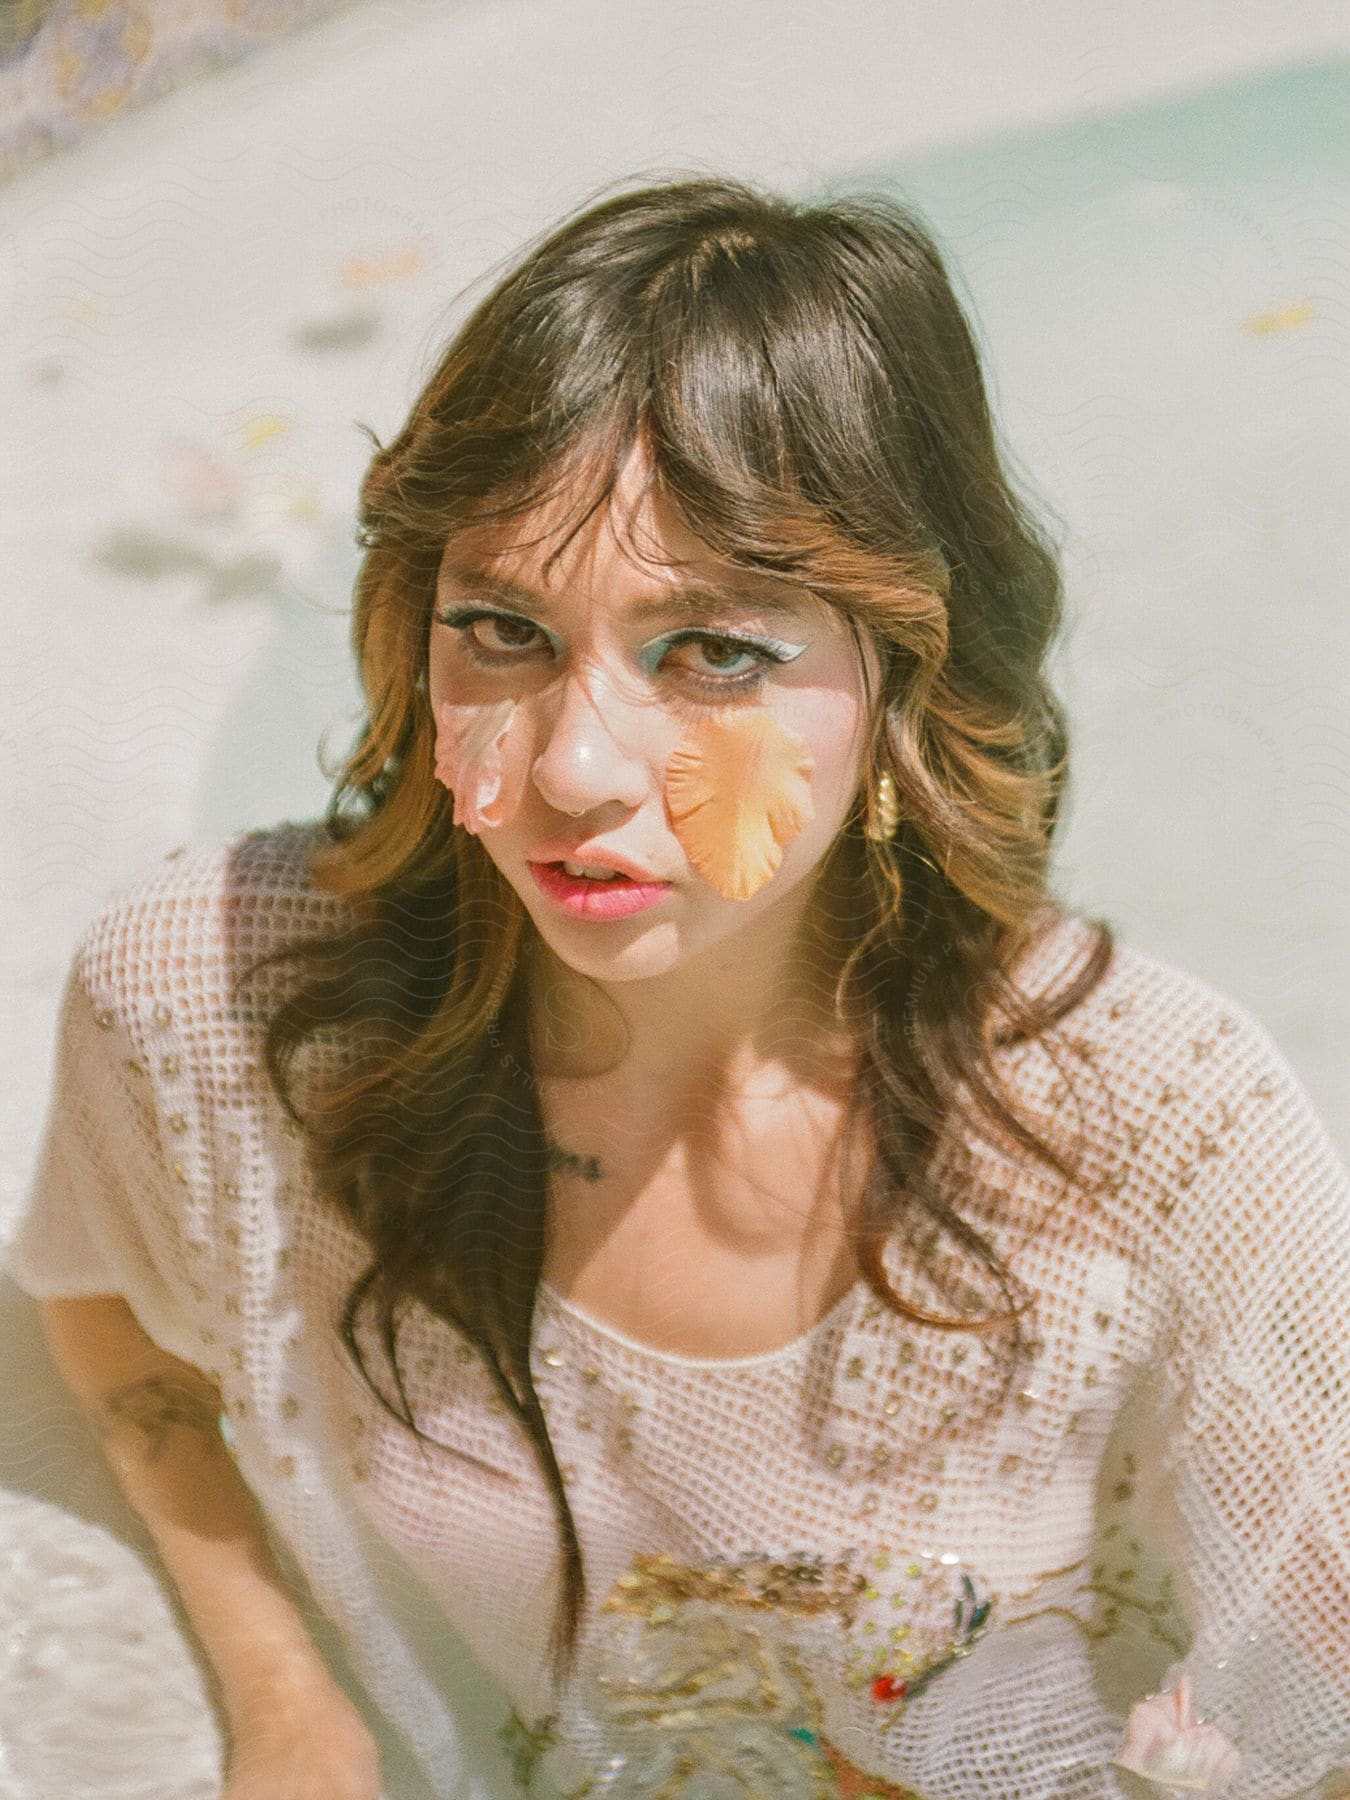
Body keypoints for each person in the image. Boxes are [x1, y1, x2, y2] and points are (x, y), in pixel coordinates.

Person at [5, 174, 1348, 1800]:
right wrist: (288, 1697)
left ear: (899, 676)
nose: (574, 765)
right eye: (498, 629)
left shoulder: (1153, 1126)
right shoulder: (206, 1007)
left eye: (712, 652)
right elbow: (97, 1314)